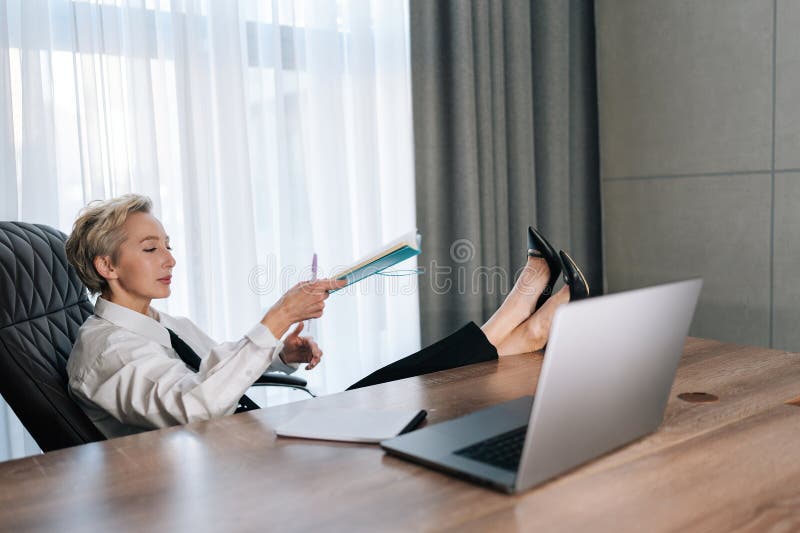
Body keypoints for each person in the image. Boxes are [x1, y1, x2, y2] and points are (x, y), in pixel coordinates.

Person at [65, 194, 588, 438]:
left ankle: (531, 320)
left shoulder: (165, 326)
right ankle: (531, 314)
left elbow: (210, 370)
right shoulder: (107, 354)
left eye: (169, 246)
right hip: (227, 468)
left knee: (408, 385)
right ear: (107, 264)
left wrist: (278, 349)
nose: (171, 260)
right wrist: (275, 318)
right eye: (152, 248)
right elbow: (192, 409)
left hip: (255, 437)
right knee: (411, 388)